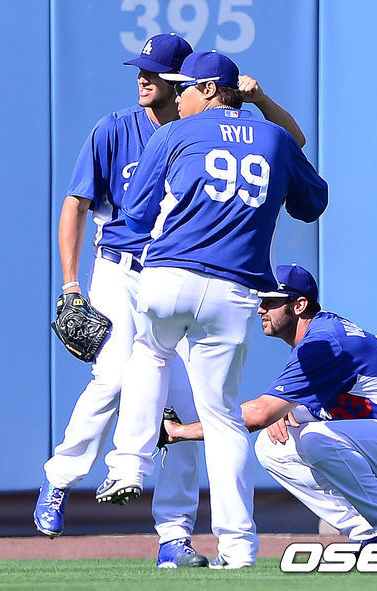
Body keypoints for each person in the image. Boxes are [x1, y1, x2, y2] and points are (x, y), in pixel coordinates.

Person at [96, 51, 328, 570]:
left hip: (169, 277)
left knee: (150, 353)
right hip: (234, 292)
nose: (176, 96)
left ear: (207, 90)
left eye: (184, 87)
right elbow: (313, 203)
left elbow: (136, 213)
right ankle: (239, 548)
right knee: (222, 419)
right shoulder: (274, 138)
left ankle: (128, 464)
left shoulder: (175, 133)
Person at [34, 33, 210, 569]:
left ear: (181, 82)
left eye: (155, 71)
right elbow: (75, 204)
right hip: (118, 271)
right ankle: (59, 479)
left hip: (177, 279)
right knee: (113, 378)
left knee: (185, 411)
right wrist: (70, 285)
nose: (143, 78)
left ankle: (175, 537)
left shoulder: (203, 134)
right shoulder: (114, 129)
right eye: (141, 69)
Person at [164, 263, 377, 556]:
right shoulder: (320, 337)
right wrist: (289, 412)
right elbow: (293, 412)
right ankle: (369, 532)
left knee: (316, 438)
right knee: (272, 447)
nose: (261, 309)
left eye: (271, 301)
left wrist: (178, 432)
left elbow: (259, 414)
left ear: (299, 305)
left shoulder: (322, 342)